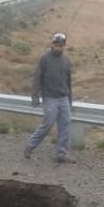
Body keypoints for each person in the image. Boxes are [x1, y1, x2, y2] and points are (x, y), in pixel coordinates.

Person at [25, 32, 76, 164]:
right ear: (52, 44)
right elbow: (37, 78)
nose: (58, 47)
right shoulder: (44, 59)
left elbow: (68, 81)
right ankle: (30, 145)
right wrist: (35, 97)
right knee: (48, 124)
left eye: (61, 45)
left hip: (63, 97)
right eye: (56, 44)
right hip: (50, 97)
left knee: (65, 125)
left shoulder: (66, 60)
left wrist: (70, 100)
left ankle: (62, 154)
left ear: (64, 46)